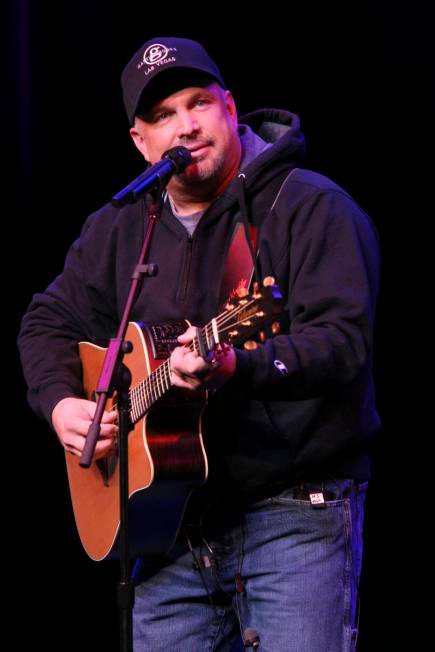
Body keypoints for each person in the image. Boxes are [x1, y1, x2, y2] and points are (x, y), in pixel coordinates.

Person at [18, 36, 381, 651]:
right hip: (168, 526)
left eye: (198, 103)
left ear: (230, 106)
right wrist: (61, 405)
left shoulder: (312, 206)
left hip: (293, 512)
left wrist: (238, 364)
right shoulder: (121, 226)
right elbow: (46, 320)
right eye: (162, 116)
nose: (185, 126)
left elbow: (341, 343)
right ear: (140, 142)